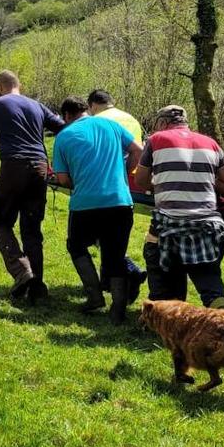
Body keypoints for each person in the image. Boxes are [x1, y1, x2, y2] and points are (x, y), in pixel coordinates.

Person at [134, 105, 224, 309]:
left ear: (163, 123)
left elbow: (141, 180)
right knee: (209, 279)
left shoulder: (156, 140)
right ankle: (222, 315)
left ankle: (163, 306)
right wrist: (206, 183)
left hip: (170, 222)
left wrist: (163, 184)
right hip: (207, 224)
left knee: (155, 253)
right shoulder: (210, 143)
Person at [0, 70, 65, 302]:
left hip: (14, 166)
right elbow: (63, 128)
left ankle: (21, 271)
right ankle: (36, 287)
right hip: (40, 168)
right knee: (32, 228)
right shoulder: (37, 105)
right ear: (19, 85)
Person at [52, 96, 143, 323]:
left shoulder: (63, 137)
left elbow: (63, 179)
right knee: (115, 255)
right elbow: (138, 150)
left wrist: (80, 181)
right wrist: (124, 171)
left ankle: (94, 297)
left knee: (76, 246)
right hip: (120, 201)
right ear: (86, 110)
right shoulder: (112, 125)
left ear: (67, 116)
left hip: (86, 203)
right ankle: (118, 310)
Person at [86, 89, 148, 301]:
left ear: (93, 105)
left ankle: (128, 269)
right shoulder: (131, 118)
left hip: (104, 183)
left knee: (96, 234)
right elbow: (138, 151)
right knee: (113, 235)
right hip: (129, 184)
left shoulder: (98, 120)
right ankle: (109, 281)